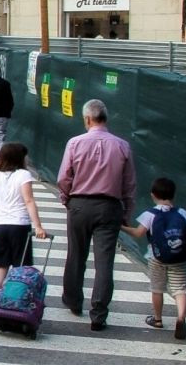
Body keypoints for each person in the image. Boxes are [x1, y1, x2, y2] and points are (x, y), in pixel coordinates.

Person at [57, 99, 136, 331]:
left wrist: (67, 199)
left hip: (80, 204)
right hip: (110, 206)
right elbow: (129, 184)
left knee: (76, 255)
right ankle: (99, 313)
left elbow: (64, 177)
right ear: (106, 118)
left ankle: (73, 301)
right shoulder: (122, 146)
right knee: (104, 262)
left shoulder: (75, 143)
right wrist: (126, 213)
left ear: (87, 119)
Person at [121, 177, 186, 340]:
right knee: (180, 288)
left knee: (157, 288)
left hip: (156, 257)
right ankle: (180, 318)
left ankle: (157, 319)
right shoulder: (183, 213)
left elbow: (138, 233)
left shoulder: (150, 214)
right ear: (173, 195)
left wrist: (120, 226)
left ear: (153, 195)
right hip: (179, 256)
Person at [0, 143, 47, 301]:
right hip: (19, 225)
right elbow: (28, 200)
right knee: (20, 267)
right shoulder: (23, 175)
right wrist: (38, 226)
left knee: (1, 265)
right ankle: (16, 299)